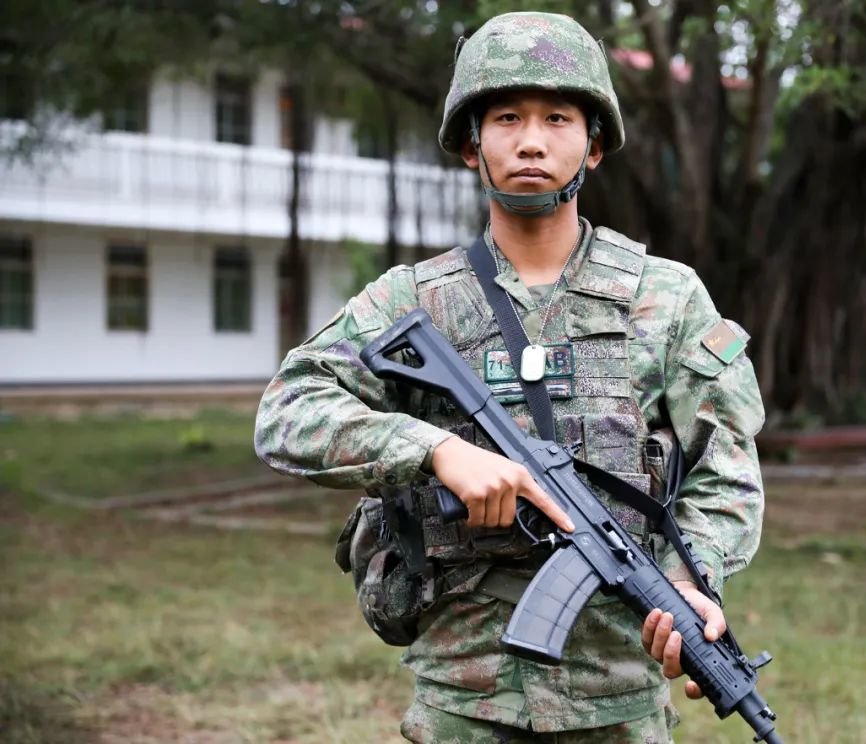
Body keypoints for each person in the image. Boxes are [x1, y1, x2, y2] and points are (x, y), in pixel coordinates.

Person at [254, 11, 766, 743]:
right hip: (464, 697)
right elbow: (288, 411)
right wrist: (435, 451)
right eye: (506, 118)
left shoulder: (666, 296)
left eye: (557, 118)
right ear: (472, 144)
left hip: (619, 700)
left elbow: (726, 469)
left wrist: (692, 577)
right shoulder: (412, 301)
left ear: (594, 145)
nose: (531, 140)